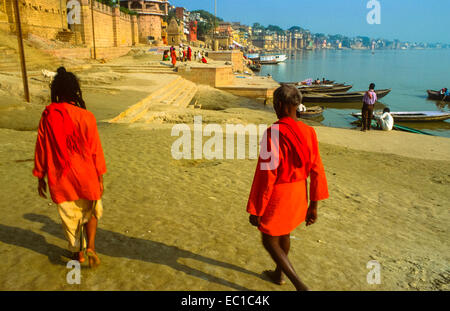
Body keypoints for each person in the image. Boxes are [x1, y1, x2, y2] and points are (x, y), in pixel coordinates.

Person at [246, 84, 329, 291]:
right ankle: (278, 273)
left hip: (279, 193)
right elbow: (317, 169)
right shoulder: (309, 132)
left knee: (268, 239)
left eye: (275, 104)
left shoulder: (273, 133)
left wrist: (257, 207)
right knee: (283, 233)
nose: (274, 107)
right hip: (299, 192)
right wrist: (314, 205)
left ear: (281, 105)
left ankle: (301, 286)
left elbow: (266, 175)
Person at [33, 67, 106, 268]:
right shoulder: (87, 116)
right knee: (90, 212)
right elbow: (95, 150)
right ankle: (90, 246)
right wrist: (100, 175)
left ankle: (78, 252)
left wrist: (40, 175)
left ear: (56, 91)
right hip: (87, 175)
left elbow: (41, 147)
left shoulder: (48, 116)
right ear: (75, 90)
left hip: (61, 178)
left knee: (71, 218)